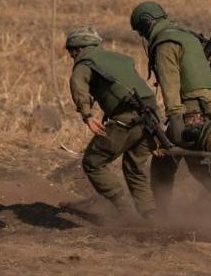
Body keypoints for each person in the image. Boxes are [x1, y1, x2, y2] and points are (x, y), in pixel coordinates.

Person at [129, 1, 211, 212]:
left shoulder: (164, 44)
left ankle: (161, 214)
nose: (142, 35)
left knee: (189, 163)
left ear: (147, 23)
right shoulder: (186, 35)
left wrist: (175, 120)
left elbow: (170, 86)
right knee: (187, 163)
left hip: (189, 112)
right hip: (207, 105)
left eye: (140, 30)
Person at [66, 26, 159, 219]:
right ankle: (151, 216)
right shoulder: (119, 58)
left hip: (126, 118)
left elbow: (78, 84)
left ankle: (126, 211)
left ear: (79, 48)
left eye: (71, 52)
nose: (71, 56)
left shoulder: (85, 62)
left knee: (93, 162)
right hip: (152, 118)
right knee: (134, 168)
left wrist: (87, 116)